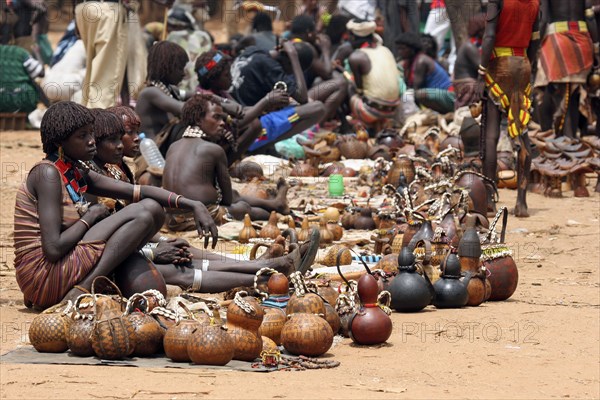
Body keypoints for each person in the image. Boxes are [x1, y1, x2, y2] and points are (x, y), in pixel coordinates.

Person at [12, 101, 219, 310]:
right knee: (146, 211)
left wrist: (192, 204)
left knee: (152, 209)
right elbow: (53, 248)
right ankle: (84, 288)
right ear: (60, 143)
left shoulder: (75, 170)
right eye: (82, 136)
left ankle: (88, 284)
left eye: (91, 133)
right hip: (43, 276)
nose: (92, 141)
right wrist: (90, 217)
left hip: (63, 265)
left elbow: (138, 192)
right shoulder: (46, 173)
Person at [162, 94, 293, 228]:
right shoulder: (212, 149)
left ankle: (275, 204)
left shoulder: (174, 146)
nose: (222, 123)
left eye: (223, 118)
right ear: (198, 119)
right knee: (242, 207)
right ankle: (276, 208)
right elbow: (227, 199)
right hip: (200, 217)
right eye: (217, 117)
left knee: (235, 195)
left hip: (171, 219)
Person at [476, 0, 540, 217]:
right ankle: (521, 203)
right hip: (522, 64)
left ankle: (490, 202)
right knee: (522, 133)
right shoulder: (534, 3)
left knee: (492, 134)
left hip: (498, 65)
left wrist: (481, 72)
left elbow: (490, 36)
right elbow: (535, 42)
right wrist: (527, 68)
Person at [230, 40, 324, 153]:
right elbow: (302, 98)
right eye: (292, 71)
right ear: (289, 61)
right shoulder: (271, 67)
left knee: (293, 103)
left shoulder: (255, 51)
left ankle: (266, 146)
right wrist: (294, 57)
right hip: (248, 130)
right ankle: (262, 147)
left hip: (240, 118)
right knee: (317, 108)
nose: (290, 74)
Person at [75, 0, 174, 108]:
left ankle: (86, 118)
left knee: (93, 73)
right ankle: (100, 120)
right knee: (106, 81)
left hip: (83, 9)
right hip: (108, 11)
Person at [535, 0, 598, 137]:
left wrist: (534, 46)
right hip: (582, 41)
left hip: (557, 42)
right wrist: (597, 46)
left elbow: (543, 20)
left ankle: (558, 139)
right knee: (574, 96)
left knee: (553, 92)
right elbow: (590, 16)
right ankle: (570, 140)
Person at [289, 15, 349, 124]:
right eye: (315, 31)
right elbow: (327, 73)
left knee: (320, 81)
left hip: (288, 96)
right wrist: (326, 49)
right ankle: (314, 125)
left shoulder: (287, 41)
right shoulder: (306, 47)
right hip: (295, 99)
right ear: (309, 32)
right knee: (341, 83)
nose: (317, 35)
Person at [344, 19, 402, 129]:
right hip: (393, 111)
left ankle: (348, 123)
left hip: (369, 112)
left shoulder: (356, 56)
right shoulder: (385, 50)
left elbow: (359, 89)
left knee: (347, 83)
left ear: (353, 36)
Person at [397, 32, 455, 114]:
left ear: (412, 49)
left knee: (418, 94)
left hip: (449, 96)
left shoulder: (421, 61)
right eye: (399, 49)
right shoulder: (409, 63)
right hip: (436, 95)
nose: (400, 52)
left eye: (403, 49)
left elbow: (415, 88)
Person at [166, 6, 213, 94]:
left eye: (169, 25)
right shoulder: (204, 36)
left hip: (181, 90)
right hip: (202, 88)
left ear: (175, 25)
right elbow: (215, 60)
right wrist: (202, 73)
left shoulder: (172, 37)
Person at [453, 14, 486, 110]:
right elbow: (482, 67)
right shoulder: (470, 46)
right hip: (467, 85)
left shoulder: (477, 44)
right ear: (479, 30)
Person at [424, 0, 456, 75]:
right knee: (458, 41)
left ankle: (427, 67)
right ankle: (453, 71)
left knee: (429, 39)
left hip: (443, 5)